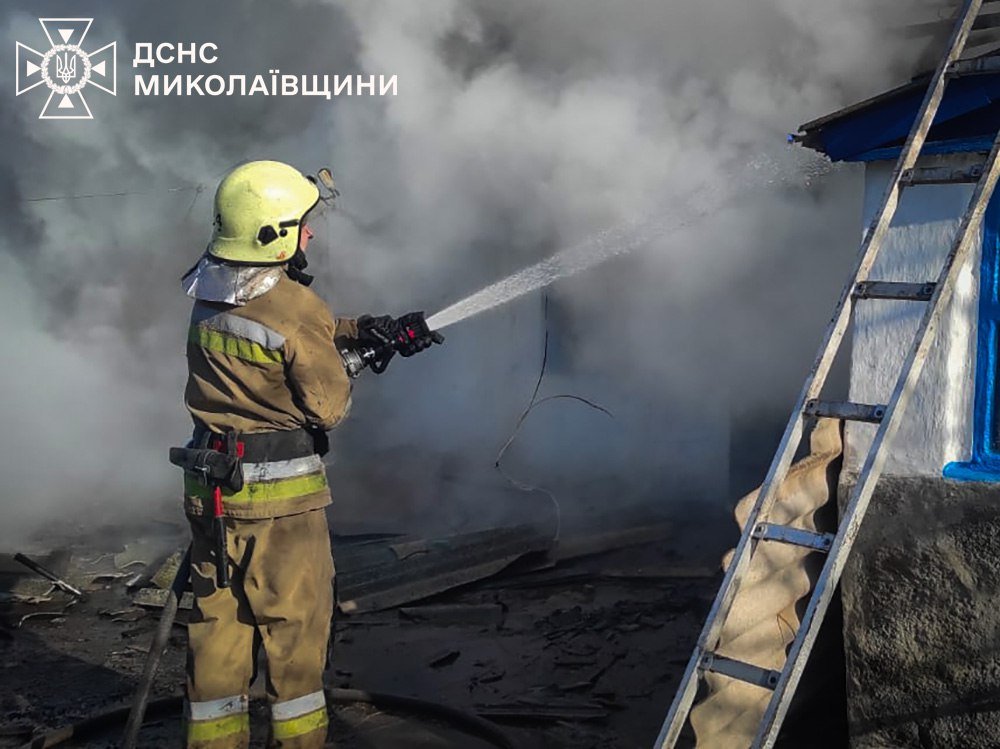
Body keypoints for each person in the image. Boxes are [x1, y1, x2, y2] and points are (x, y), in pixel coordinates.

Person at [175, 160, 441, 748]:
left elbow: (282, 339)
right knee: (293, 636)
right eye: (301, 223)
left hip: (213, 496)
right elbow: (326, 406)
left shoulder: (211, 289)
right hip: (280, 510)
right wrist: (358, 360)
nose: (311, 231)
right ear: (272, 234)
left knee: (219, 629)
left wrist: (362, 328)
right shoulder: (294, 307)